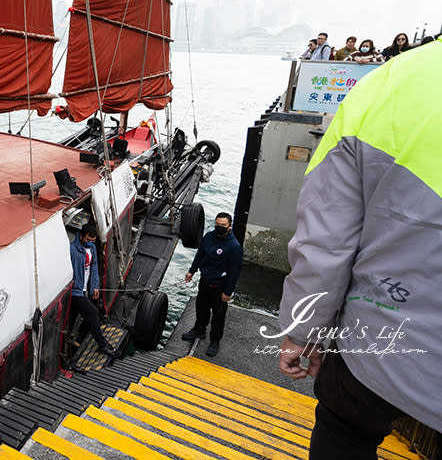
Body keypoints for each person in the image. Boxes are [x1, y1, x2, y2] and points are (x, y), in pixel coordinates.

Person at [276, 37, 442, 459]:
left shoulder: (391, 83)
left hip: (379, 348)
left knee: (343, 429)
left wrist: (303, 334)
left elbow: (325, 245)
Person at [181, 212, 243, 357]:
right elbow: (200, 254)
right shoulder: (208, 237)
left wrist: (227, 292)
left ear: (229, 226)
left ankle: (215, 340)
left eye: (223, 225)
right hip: (205, 281)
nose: (219, 227)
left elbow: (234, 273)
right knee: (201, 307)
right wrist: (192, 271)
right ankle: (199, 329)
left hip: (220, 285)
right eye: (217, 224)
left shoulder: (234, 247)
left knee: (218, 315)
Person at [69, 224, 118, 357]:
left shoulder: (92, 248)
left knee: (76, 316)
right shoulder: (72, 250)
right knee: (92, 312)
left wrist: (95, 286)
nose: (90, 243)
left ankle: (76, 339)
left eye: (93, 241)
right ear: (81, 236)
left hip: (87, 288)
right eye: (88, 240)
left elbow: (94, 267)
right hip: (76, 291)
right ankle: (102, 345)